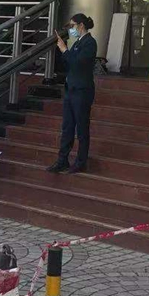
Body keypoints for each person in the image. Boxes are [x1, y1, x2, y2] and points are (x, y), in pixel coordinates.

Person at [47, 13, 97, 175]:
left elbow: (78, 63)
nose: (71, 29)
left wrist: (64, 50)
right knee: (67, 127)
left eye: (72, 26)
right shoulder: (77, 43)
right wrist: (62, 51)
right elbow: (68, 63)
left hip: (82, 91)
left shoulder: (90, 43)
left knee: (81, 128)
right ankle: (62, 160)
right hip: (71, 89)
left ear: (81, 25)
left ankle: (81, 162)